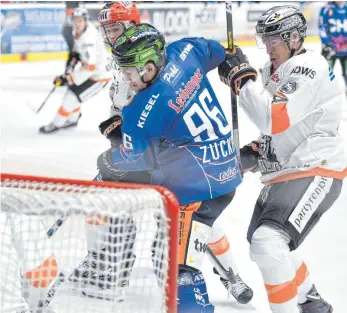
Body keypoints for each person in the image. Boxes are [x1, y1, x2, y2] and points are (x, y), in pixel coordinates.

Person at [94, 22, 246, 310]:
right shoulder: (185, 51)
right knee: (170, 254)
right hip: (225, 168)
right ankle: (227, 272)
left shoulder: (141, 111)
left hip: (196, 189)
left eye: (128, 72)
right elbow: (221, 50)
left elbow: (134, 162)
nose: (126, 79)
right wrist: (237, 61)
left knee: (175, 269)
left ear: (148, 67)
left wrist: (108, 157)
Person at [218, 5, 347, 313]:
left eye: (273, 40)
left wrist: (241, 78)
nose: (267, 47)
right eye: (265, 40)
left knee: (268, 242)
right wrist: (257, 151)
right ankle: (310, 300)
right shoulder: (274, 71)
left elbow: (271, 118)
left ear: (293, 37)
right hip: (287, 170)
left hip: (316, 168)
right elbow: (280, 130)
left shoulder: (309, 66)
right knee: (266, 244)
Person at [39, 7, 111, 134]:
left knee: (72, 96)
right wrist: (74, 56)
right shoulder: (80, 31)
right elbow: (78, 52)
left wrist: (67, 78)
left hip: (100, 77)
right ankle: (72, 119)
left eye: (80, 20)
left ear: (85, 20)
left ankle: (56, 124)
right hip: (93, 72)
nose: (77, 23)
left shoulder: (89, 39)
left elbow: (89, 67)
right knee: (73, 90)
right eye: (74, 20)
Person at [319, 1, 347, 93]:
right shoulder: (326, 9)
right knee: (326, 77)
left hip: (346, 51)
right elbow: (322, 27)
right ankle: (324, 98)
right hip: (331, 50)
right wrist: (327, 44)